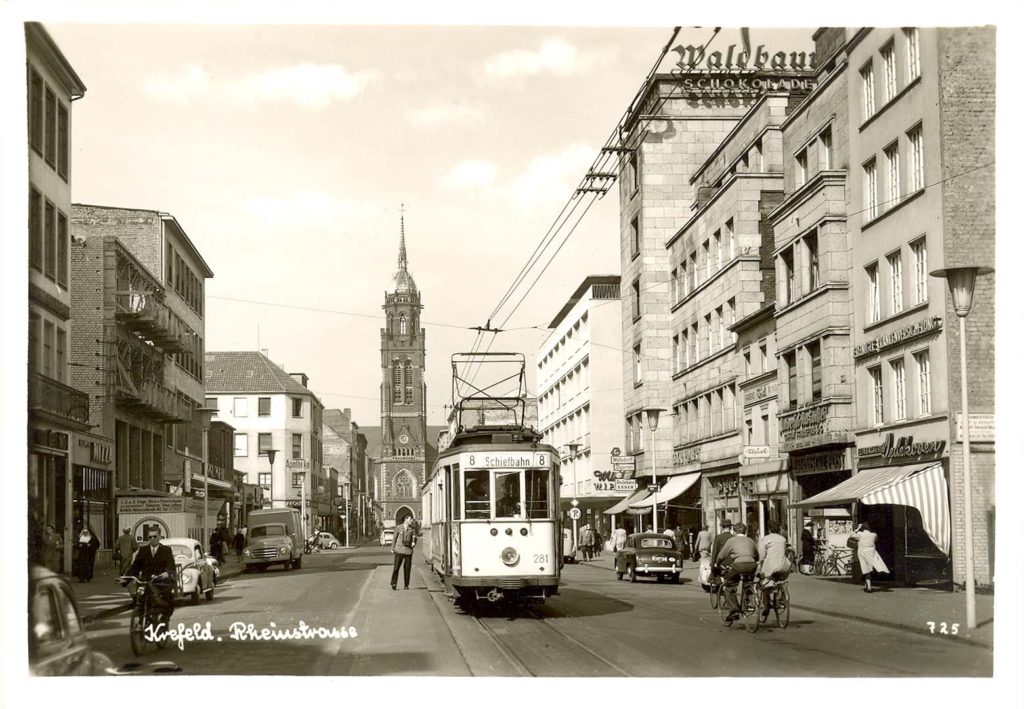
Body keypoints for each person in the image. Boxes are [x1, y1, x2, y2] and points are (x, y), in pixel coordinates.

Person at [122, 531, 177, 627]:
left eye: (155, 536)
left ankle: (164, 620)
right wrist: (126, 579)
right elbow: (135, 566)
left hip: (161, 582)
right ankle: (142, 619)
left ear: (159, 537)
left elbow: (171, 564)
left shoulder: (166, 550)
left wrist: (166, 573)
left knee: (168, 601)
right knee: (139, 598)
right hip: (146, 581)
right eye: (150, 537)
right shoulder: (143, 550)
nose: (152, 539)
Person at [715, 523, 759, 622]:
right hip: (751, 565)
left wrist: (717, 563)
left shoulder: (732, 541)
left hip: (738, 565)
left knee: (729, 585)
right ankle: (746, 602)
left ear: (734, 531)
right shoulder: (751, 540)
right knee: (748, 583)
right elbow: (757, 555)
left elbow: (722, 555)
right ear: (745, 531)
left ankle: (734, 610)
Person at [756, 520, 791, 620]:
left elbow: (761, 556)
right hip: (784, 566)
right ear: (778, 528)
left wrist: (758, 562)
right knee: (780, 579)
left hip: (771, 565)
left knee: (764, 584)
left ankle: (766, 607)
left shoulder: (765, 539)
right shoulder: (782, 539)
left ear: (769, 529)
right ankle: (781, 596)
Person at [850, 521, 889, 593]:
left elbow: (851, 535)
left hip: (862, 552)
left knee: (866, 569)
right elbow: (876, 540)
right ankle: (867, 585)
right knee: (869, 568)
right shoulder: (874, 535)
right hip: (871, 552)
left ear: (863, 528)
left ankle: (869, 587)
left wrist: (857, 528)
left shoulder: (859, 534)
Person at [390, 513, 416, 590]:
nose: (411, 520)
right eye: (410, 519)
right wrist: (392, 548)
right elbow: (394, 538)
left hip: (408, 551)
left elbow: (414, 538)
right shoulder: (398, 527)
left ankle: (406, 585)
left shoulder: (412, 529)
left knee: (407, 568)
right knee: (396, 567)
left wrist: (414, 542)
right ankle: (394, 583)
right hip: (399, 550)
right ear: (406, 519)